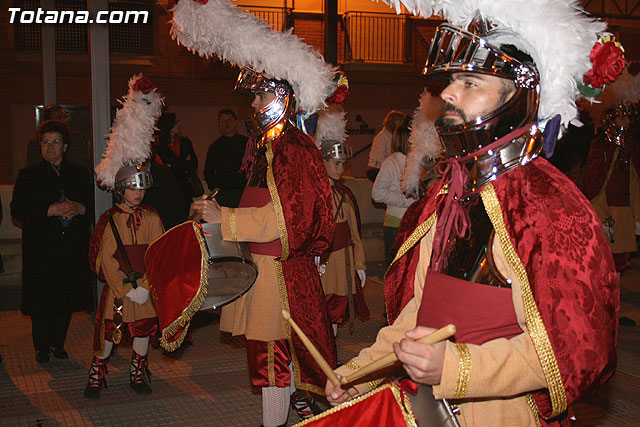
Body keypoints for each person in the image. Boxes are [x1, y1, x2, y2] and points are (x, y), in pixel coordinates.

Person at [314, 2, 620, 426]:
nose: (448, 94)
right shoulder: (448, 193)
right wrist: (363, 372)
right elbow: (419, 314)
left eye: (470, 81)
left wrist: (456, 369)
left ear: (522, 94)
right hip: (426, 407)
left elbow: (575, 348)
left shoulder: (554, 206)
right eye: (453, 81)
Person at [163, 2, 349, 425]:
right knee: (272, 363)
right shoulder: (268, 146)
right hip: (264, 267)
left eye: (263, 93)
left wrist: (223, 216)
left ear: (283, 97)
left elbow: (287, 219)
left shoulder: (292, 148)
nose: (256, 103)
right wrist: (217, 213)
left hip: (279, 271)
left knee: (274, 362)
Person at [85, 74, 164, 399]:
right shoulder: (110, 219)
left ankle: (139, 368)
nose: (138, 194)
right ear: (120, 189)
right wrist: (125, 288)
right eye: (132, 188)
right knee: (109, 332)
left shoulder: (152, 218)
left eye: (141, 188)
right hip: (120, 290)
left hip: (143, 289)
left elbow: (159, 252)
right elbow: (105, 258)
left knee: (143, 330)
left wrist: (145, 287)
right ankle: (98, 370)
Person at [11, 119, 93, 363]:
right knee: (42, 300)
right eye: (45, 143)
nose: (50, 147)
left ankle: (58, 343)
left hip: (70, 246)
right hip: (42, 248)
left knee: (65, 299)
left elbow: (92, 205)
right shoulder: (28, 175)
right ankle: (41, 346)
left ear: (65, 146)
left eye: (55, 142)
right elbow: (18, 209)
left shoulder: (78, 173)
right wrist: (49, 210)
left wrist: (79, 208)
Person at [318, 130, 369, 337]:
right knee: (319, 311)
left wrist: (359, 264)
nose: (341, 169)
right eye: (336, 164)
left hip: (343, 263)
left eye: (343, 164)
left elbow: (354, 236)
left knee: (337, 310)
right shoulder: (314, 196)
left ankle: (331, 355)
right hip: (323, 264)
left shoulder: (344, 196)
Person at [372, 126, 416, 267]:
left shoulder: (416, 162)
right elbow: (377, 193)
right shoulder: (391, 162)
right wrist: (406, 200)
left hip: (414, 222)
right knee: (396, 270)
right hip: (396, 224)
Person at [26, 104, 93, 173]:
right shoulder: (34, 144)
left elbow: (85, 163)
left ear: (65, 146)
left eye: (64, 117)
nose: (63, 120)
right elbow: (30, 164)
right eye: (59, 118)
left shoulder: (78, 139)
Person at [203, 108, 248, 207]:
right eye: (223, 121)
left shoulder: (247, 143)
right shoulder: (215, 147)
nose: (227, 124)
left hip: (244, 192)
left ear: (236, 122)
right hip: (223, 194)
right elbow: (208, 172)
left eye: (230, 120)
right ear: (219, 124)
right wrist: (217, 190)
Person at [154, 111, 201, 206]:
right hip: (169, 191)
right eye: (177, 122)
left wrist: (174, 166)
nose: (180, 124)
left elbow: (194, 164)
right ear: (169, 124)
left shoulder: (185, 142)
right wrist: (183, 165)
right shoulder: (160, 146)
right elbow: (164, 170)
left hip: (185, 189)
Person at [366, 110, 405, 182]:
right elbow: (380, 158)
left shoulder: (392, 136)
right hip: (375, 169)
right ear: (392, 122)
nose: (401, 125)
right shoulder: (381, 137)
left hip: (385, 168)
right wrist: (392, 169)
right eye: (399, 122)